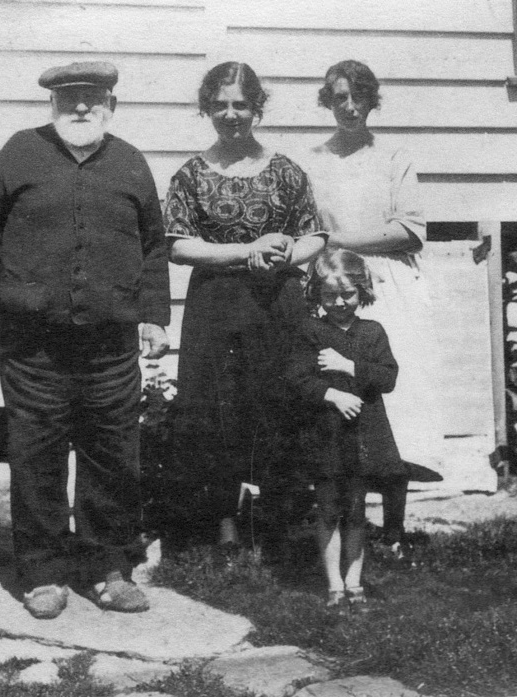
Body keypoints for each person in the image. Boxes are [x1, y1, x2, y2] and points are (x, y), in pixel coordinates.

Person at [0, 61, 170, 619]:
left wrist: (154, 317)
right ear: (52, 104)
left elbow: (153, 244)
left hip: (110, 346)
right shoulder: (20, 152)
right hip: (33, 345)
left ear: (111, 105)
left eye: (92, 98)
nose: (81, 107)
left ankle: (108, 569)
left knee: (112, 456)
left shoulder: (130, 161)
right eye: (69, 98)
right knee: (37, 456)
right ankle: (43, 573)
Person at [164, 61, 326, 556]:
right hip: (215, 304)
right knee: (216, 410)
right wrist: (245, 251)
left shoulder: (286, 170)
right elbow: (177, 245)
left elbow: (315, 235)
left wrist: (282, 255)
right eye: (220, 105)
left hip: (277, 302)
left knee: (279, 402)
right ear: (207, 109)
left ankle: (280, 522)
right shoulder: (191, 175)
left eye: (240, 104)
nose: (231, 114)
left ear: (257, 108)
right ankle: (224, 526)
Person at [302, 60, 442, 556]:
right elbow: (306, 228)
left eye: (358, 97)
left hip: (390, 285)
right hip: (335, 285)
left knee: (391, 404)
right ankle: (345, 522)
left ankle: (396, 530)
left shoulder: (393, 156)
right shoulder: (313, 161)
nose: (349, 107)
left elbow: (411, 230)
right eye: (339, 97)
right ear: (328, 101)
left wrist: (338, 240)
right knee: (341, 399)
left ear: (371, 100)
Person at [285, 250, 403, 607]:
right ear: (317, 295)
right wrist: (332, 394)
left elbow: (388, 378)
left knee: (355, 510)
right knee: (327, 509)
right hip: (327, 436)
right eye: (329, 295)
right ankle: (334, 583)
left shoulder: (372, 332)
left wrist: (348, 366)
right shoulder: (310, 331)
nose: (338, 303)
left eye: (347, 294)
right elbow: (296, 378)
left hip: (364, 436)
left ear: (362, 291)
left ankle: (353, 580)